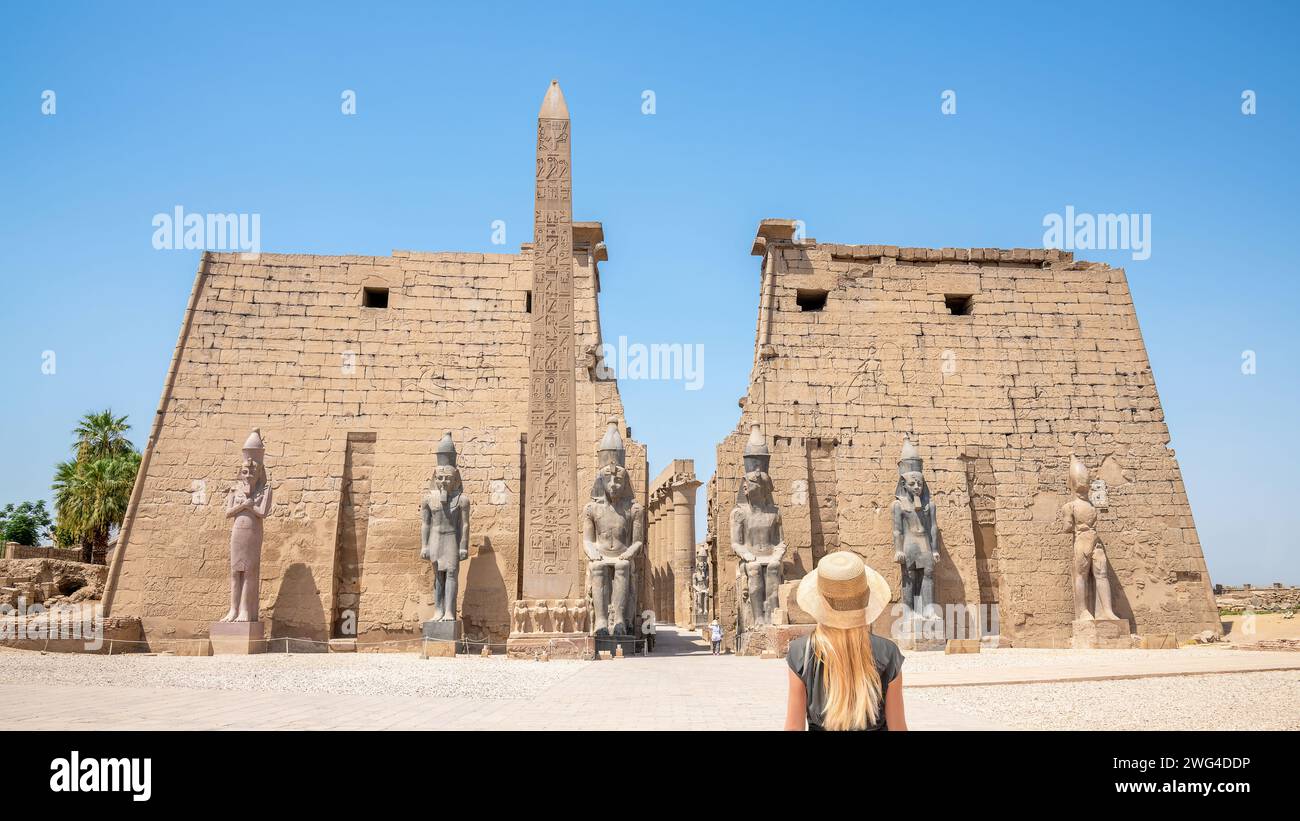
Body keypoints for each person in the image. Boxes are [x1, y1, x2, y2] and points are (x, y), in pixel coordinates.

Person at [784, 552, 907, 731]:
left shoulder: (800, 653)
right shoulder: (888, 653)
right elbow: (898, 727)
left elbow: (794, 727)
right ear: (865, 598)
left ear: (820, 601)